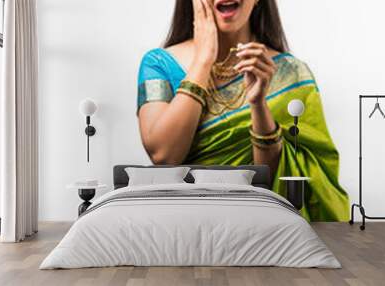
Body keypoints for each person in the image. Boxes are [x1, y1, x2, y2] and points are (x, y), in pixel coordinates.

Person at [136, 0, 349, 221]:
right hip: (188, 219)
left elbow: (273, 177)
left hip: (261, 221)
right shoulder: (158, 63)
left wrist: (258, 105)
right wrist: (203, 61)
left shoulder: (291, 74)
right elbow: (164, 156)